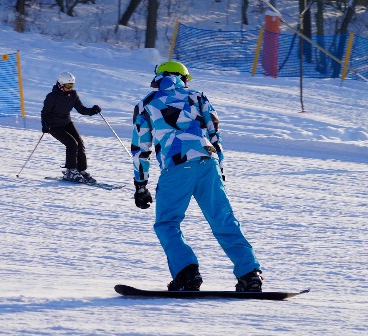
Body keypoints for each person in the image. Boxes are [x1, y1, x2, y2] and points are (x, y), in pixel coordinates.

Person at [131, 61, 263, 292]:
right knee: (222, 218)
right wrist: (219, 169)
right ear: (183, 78)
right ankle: (250, 274)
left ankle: (186, 273)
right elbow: (214, 133)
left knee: (167, 222)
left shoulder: (146, 104)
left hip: (176, 166)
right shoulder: (197, 96)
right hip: (207, 162)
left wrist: (141, 185)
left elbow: (141, 148)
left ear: (158, 77)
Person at [41, 72, 101, 183]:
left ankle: (81, 170)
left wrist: (93, 110)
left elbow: (81, 109)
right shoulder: (51, 97)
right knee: (72, 144)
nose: (70, 88)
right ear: (60, 84)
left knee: (80, 143)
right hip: (54, 126)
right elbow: (45, 113)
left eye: (71, 86)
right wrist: (44, 125)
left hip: (67, 123)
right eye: (68, 86)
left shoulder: (73, 95)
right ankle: (70, 171)